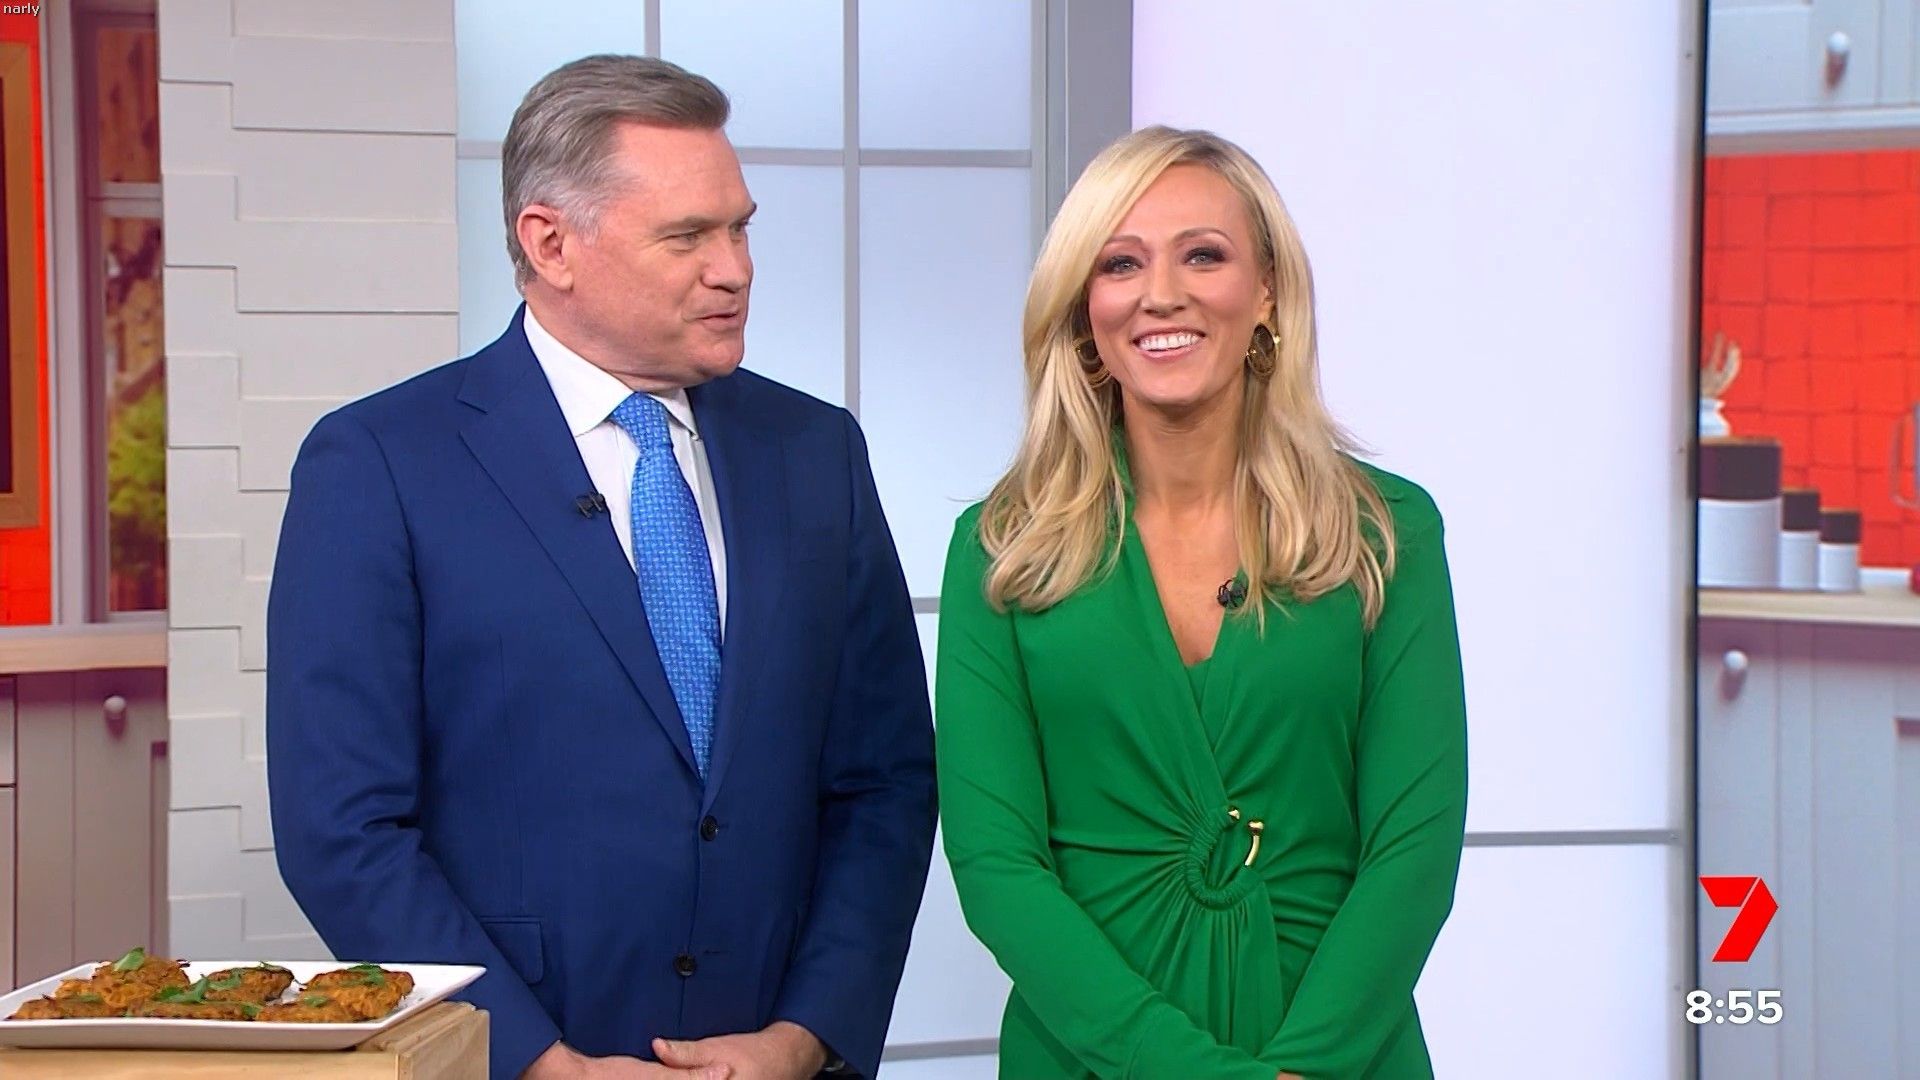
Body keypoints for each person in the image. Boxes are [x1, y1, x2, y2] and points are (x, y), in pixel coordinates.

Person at [267, 55, 936, 1080]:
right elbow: (342, 828)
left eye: (740, 228)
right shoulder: (381, 463)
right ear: (551, 244)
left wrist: (806, 1037)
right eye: (687, 236)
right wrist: (538, 1060)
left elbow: (884, 783)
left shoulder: (816, 451)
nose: (735, 269)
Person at [935, 125, 1469, 1079]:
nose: (1161, 294)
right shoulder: (1003, 549)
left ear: (1268, 292)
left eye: (1204, 256)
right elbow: (995, 866)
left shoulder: (1385, 532)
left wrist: (1302, 1070)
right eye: (1120, 263)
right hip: (1091, 1054)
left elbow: (1414, 849)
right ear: (1084, 308)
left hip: (1338, 1050)